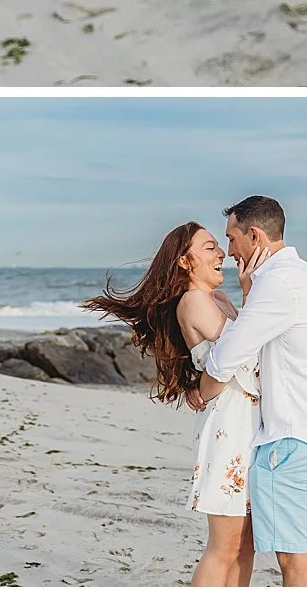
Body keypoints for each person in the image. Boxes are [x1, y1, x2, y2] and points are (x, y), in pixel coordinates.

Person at [84, 221, 259, 587]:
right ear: (184, 261)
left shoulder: (219, 300)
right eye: (210, 247)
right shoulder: (194, 301)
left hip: (247, 424)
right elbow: (239, 357)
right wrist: (204, 387)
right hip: (230, 428)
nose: (222, 253)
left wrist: (246, 292)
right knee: (225, 546)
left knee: (246, 545)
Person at [201, 196, 307, 590]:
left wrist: (202, 389)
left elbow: (225, 359)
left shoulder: (277, 284)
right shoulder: (304, 277)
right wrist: (249, 294)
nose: (228, 250)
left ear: (254, 235)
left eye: (232, 239)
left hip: (291, 441)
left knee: (292, 557)